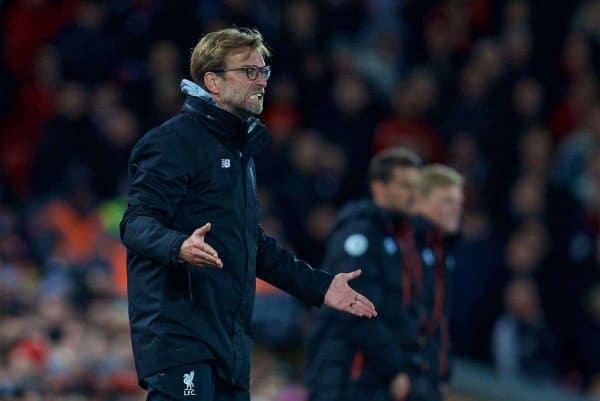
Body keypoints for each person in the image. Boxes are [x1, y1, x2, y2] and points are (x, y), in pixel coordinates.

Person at [119, 27, 376, 401]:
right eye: (249, 71)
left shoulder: (240, 152)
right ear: (213, 82)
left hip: (228, 344)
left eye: (264, 71)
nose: (262, 81)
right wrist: (179, 246)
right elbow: (136, 223)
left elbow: (255, 247)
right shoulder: (172, 142)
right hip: (179, 336)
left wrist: (321, 286)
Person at [307, 147, 425, 401]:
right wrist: (395, 369)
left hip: (370, 376)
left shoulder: (399, 240)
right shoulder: (361, 235)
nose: (413, 193)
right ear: (379, 188)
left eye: (417, 186)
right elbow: (356, 308)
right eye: (404, 185)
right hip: (346, 374)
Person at [411, 164, 465, 400]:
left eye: (458, 201)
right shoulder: (406, 248)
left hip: (427, 381)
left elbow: (439, 323)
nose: (456, 208)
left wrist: (441, 376)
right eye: (447, 201)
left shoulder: (443, 253)